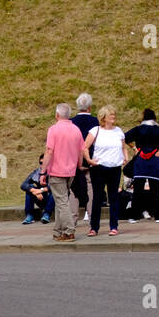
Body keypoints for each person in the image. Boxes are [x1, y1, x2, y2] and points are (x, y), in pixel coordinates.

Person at [43, 103, 88, 242]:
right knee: (60, 200)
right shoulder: (76, 130)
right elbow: (81, 150)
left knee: (62, 202)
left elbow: (49, 151)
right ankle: (58, 231)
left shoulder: (53, 130)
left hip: (56, 170)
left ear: (57, 115)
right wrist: (79, 165)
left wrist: (42, 171)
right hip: (71, 171)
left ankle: (69, 230)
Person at [124, 108, 159, 222]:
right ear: (154, 118)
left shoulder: (138, 129)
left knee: (137, 190)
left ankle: (133, 216)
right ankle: (158, 216)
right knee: (155, 190)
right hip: (154, 160)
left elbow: (124, 137)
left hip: (140, 161)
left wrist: (134, 148)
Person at [85, 106, 126, 237]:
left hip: (115, 168)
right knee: (97, 198)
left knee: (113, 197)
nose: (113, 117)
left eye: (114, 115)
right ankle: (94, 227)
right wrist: (90, 161)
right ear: (104, 117)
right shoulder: (95, 131)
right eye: (111, 115)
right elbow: (84, 147)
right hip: (99, 168)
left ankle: (114, 226)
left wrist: (125, 157)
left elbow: (123, 147)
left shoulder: (118, 131)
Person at [71, 93, 98, 224]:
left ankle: (73, 218)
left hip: (73, 159)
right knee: (91, 186)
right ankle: (92, 216)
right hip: (92, 158)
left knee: (73, 188)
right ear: (90, 107)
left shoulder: (71, 122)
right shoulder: (95, 121)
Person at [20, 154, 55, 224]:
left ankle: (47, 214)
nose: (42, 165)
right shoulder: (37, 172)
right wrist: (35, 191)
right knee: (29, 188)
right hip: (40, 197)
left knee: (54, 191)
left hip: (53, 201)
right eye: (41, 163)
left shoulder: (54, 172)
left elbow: (55, 186)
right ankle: (29, 215)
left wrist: (41, 190)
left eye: (45, 163)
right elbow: (23, 185)